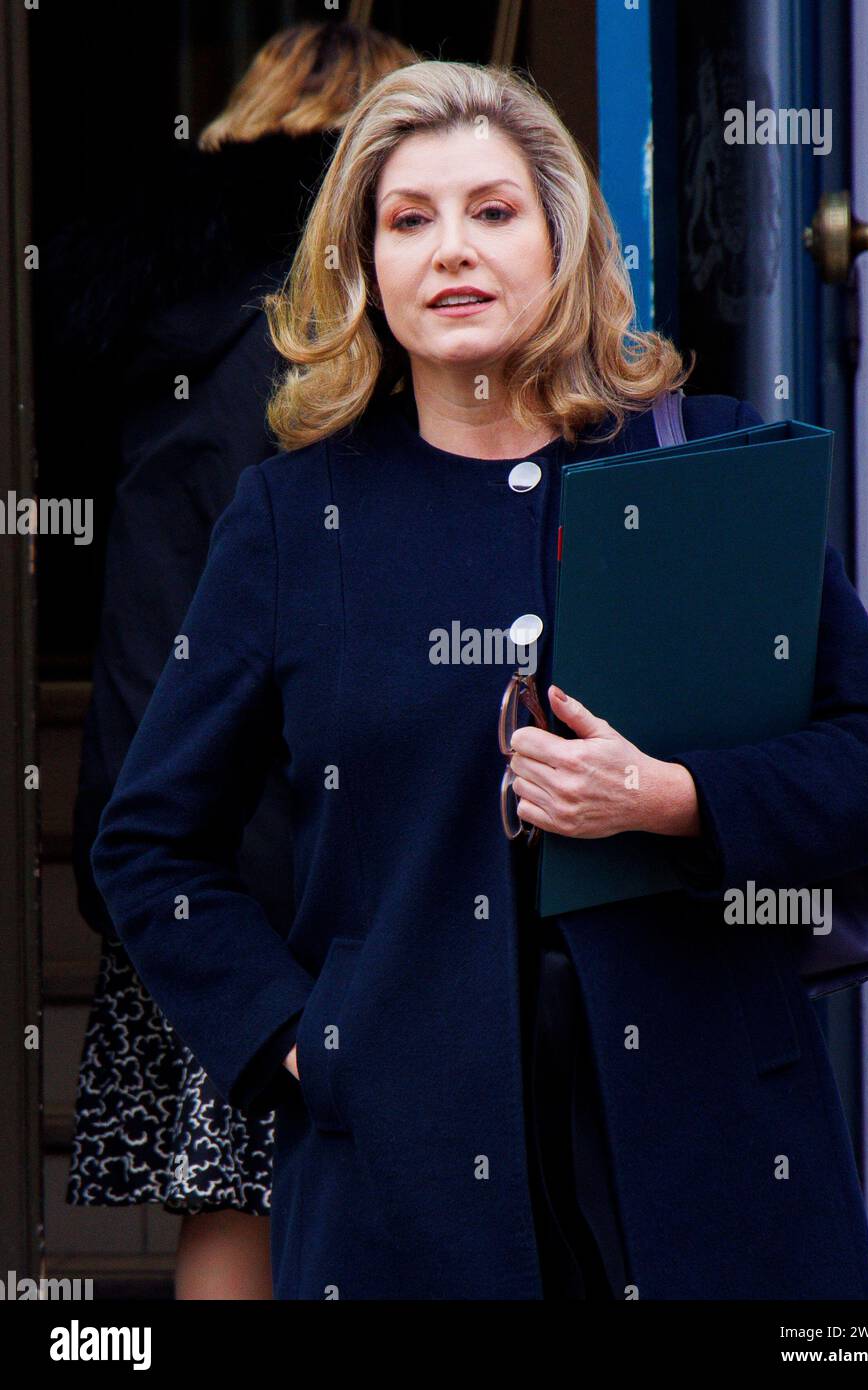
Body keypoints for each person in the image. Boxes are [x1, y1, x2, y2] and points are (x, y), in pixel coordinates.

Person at [90, 60, 868, 1300]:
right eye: (408, 219)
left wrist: (668, 797)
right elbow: (150, 845)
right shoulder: (292, 517)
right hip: (405, 1175)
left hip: (711, 1151)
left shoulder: (702, 463)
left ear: (563, 241)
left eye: (493, 211)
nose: (452, 250)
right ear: (363, 266)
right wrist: (298, 1042)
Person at [59, 20, 417, 1300]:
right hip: (327, 882)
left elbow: (141, 660)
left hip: (203, 876)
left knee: (230, 1207)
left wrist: (144, 885)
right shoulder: (353, 357)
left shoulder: (177, 356)